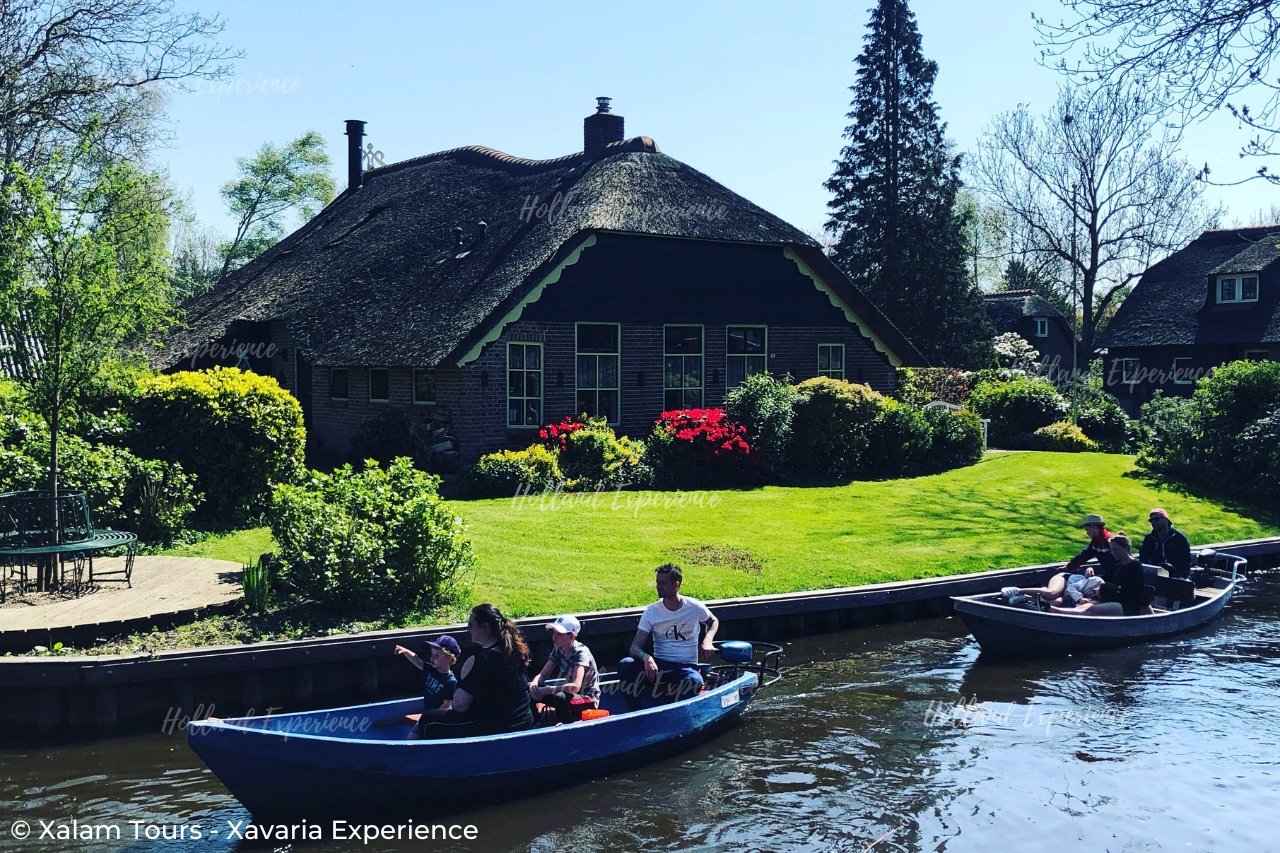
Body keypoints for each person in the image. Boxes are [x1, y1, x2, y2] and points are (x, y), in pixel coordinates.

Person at [418, 603, 534, 738]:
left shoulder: (480, 660)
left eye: (471, 625)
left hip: (496, 728)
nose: (468, 630)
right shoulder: (516, 653)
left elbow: (459, 705)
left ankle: (429, 757)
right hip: (523, 721)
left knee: (428, 719)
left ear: (485, 627)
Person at [617, 564, 719, 711]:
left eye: (663, 583)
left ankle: (680, 714)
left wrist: (707, 641)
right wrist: (647, 658)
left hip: (685, 667)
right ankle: (636, 712)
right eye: (657, 582)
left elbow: (713, 621)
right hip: (659, 666)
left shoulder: (694, 607)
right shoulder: (652, 611)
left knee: (694, 681)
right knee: (626, 664)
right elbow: (635, 647)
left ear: (676, 585)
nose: (658, 586)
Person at [528, 614, 601, 723]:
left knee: (560, 697)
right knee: (529, 689)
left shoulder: (581, 653)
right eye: (553, 632)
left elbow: (575, 686)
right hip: (569, 695)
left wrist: (546, 690)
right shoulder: (558, 650)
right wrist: (534, 684)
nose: (554, 637)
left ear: (571, 636)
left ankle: (566, 726)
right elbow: (542, 675)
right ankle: (535, 723)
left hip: (587, 699)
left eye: (559, 634)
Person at [394, 635, 459, 736]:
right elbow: (417, 661)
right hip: (427, 714)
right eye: (432, 655)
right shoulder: (432, 670)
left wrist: (429, 717)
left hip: (436, 719)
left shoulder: (450, 681)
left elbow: (446, 705)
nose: (432, 658)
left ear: (448, 658)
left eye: (436, 656)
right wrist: (405, 651)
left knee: (412, 737)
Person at [1139, 508, 1193, 579]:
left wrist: (1182, 577)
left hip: (1176, 577)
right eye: (1151, 520)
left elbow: (1186, 560)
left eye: (1156, 519)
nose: (1153, 522)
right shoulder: (1149, 539)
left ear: (1166, 520)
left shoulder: (1179, 538)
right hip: (1156, 576)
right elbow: (1143, 559)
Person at [1064, 514, 1118, 579]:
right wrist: (1070, 566)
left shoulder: (1109, 541)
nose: (1087, 533)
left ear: (1093, 526)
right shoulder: (1096, 541)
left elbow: (1121, 562)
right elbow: (1085, 555)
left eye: (1087, 530)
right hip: (1110, 573)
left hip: (1118, 575)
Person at [1019, 566, 1102, 607]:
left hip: (1067, 595)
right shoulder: (1095, 581)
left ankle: (1024, 597)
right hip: (1065, 580)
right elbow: (1071, 587)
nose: (1093, 595)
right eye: (1094, 592)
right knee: (1052, 593)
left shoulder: (1099, 600)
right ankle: (1016, 590)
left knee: (1054, 604)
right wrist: (1080, 599)